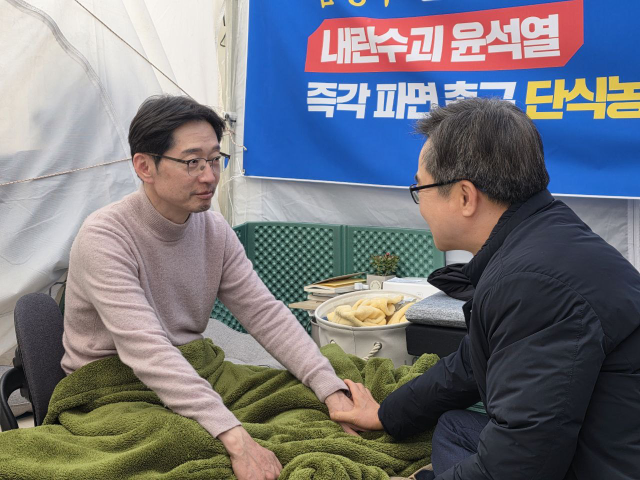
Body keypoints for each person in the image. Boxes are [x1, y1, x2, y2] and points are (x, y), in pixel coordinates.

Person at [331, 97, 640, 479]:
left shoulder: (531, 282)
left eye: (420, 187)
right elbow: (473, 363)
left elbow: (522, 465)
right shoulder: (548, 235)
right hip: (598, 438)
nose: (420, 204)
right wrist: (385, 413)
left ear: (464, 196)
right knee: (453, 427)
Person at [61, 95, 353, 480]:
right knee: (198, 451)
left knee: (326, 390)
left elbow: (264, 314)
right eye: (192, 161)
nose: (210, 176)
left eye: (215, 160)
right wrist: (235, 438)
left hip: (195, 368)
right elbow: (145, 349)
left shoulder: (213, 229)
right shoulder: (105, 236)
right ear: (144, 166)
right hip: (113, 390)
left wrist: (330, 391)